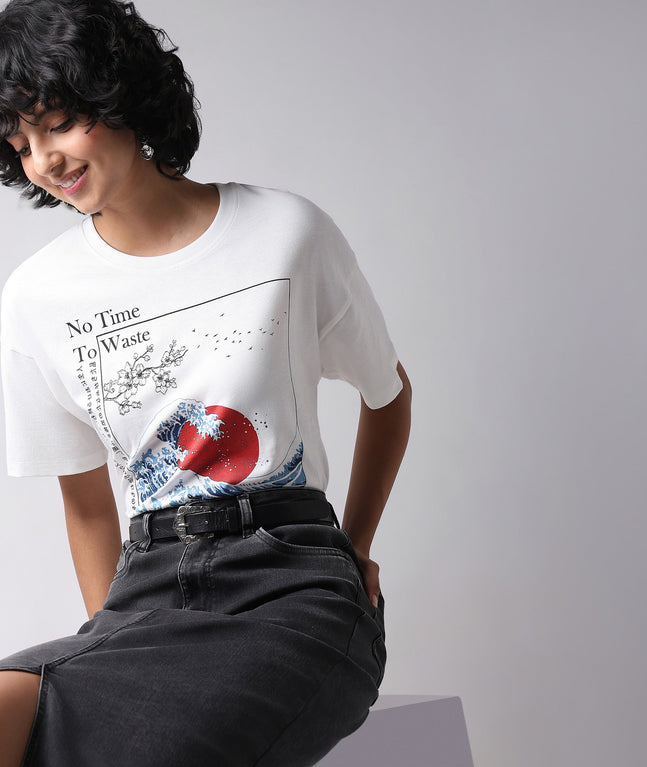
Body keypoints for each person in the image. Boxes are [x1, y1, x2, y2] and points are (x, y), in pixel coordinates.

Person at [0, 0, 411, 765]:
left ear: (118, 92)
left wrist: (353, 548)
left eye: (57, 123)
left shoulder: (285, 232)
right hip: (145, 588)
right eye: (20, 144)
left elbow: (388, 395)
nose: (43, 160)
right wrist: (117, 644)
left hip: (291, 578)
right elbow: (85, 501)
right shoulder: (36, 296)